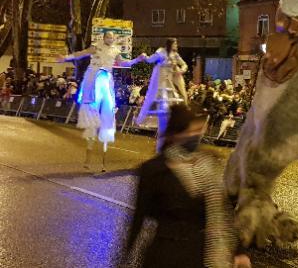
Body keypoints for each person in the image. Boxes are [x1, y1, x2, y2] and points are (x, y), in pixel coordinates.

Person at [124, 104, 250, 267]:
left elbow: (223, 212)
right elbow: (138, 217)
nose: (195, 136)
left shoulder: (208, 164)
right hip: (165, 254)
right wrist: (125, 254)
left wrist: (239, 251)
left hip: (199, 254)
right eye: (190, 132)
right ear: (174, 135)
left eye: (198, 131)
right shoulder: (154, 169)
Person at [58, 31, 145, 171]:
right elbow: (82, 53)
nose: (110, 39)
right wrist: (66, 58)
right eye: (107, 36)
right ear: (103, 38)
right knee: (92, 118)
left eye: (112, 37)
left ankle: (103, 162)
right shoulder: (96, 47)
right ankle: (88, 158)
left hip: (107, 83)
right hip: (95, 80)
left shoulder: (115, 50)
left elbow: (124, 63)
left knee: (108, 117)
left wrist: (138, 59)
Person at [137, 38, 190, 153]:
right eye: (175, 43)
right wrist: (144, 57)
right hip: (160, 89)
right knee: (163, 119)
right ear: (170, 44)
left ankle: (166, 146)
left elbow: (184, 65)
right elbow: (150, 60)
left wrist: (181, 70)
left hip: (170, 88)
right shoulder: (161, 52)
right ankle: (161, 148)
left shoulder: (175, 55)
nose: (177, 45)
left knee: (170, 118)